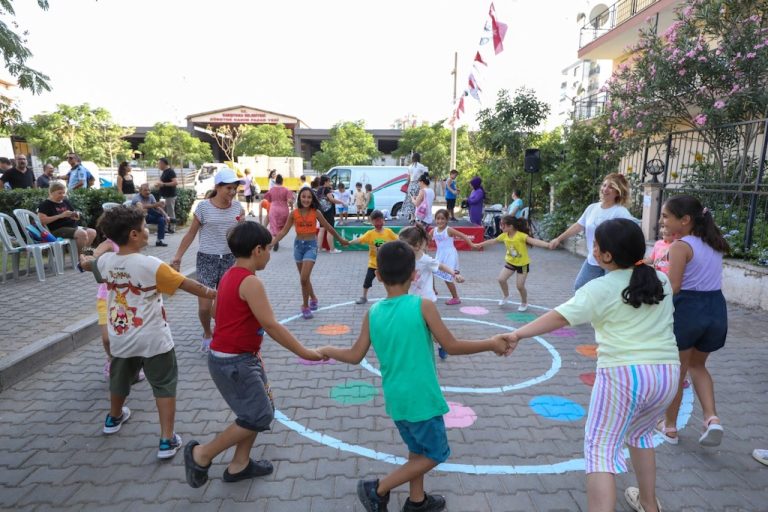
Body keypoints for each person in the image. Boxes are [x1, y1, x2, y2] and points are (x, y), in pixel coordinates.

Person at [317, 240, 513, 512]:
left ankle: (417, 500)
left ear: (379, 275)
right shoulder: (423, 306)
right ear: (414, 273)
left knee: (417, 449)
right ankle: (378, 489)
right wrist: (491, 343)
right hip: (422, 399)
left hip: (397, 399)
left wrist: (328, 349)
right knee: (436, 453)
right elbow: (451, 346)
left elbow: (354, 355)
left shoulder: (373, 313)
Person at [505, 219, 679, 512]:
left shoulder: (599, 287)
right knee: (641, 435)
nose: (593, 249)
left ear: (607, 255)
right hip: (666, 375)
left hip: (624, 375)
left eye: (596, 245)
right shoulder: (660, 280)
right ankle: (650, 505)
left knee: (601, 449)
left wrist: (517, 334)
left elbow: (559, 316)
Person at [183, 221, 326, 488]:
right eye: (269, 249)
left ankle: (240, 464)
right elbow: (271, 325)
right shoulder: (250, 283)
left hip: (238, 358)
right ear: (257, 250)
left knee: (256, 411)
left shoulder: (230, 274)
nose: (270, 254)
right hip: (234, 363)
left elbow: (216, 312)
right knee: (260, 415)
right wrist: (306, 352)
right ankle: (201, 454)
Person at [78, 206, 216, 459]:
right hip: (154, 340)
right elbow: (189, 285)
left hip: (121, 336)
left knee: (119, 379)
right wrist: (216, 293)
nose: (147, 232)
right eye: (143, 228)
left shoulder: (107, 261)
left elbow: (89, 265)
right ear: (133, 234)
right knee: (164, 385)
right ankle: (166, 440)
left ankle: (114, 418)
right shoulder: (151, 265)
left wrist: (86, 252)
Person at [656, 195, 730, 448]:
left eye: (666, 216)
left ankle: (670, 427)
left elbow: (674, 286)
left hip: (689, 310)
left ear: (685, 219)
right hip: (715, 309)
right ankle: (712, 418)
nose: (662, 221)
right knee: (698, 365)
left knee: (678, 370)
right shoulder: (714, 243)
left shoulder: (680, 246)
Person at [172, 168, 244, 352]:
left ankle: (223, 334)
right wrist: (178, 257)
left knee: (226, 304)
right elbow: (190, 234)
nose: (232, 192)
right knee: (205, 307)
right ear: (217, 187)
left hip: (230, 260)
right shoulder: (204, 207)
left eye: (234, 188)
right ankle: (207, 333)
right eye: (228, 188)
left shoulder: (238, 208)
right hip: (207, 260)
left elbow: (243, 235)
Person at [270, 187, 349, 319]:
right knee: (304, 279)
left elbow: (328, 227)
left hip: (311, 246)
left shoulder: (316, 212)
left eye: (309, 197)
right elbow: (283, 231)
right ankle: (313, 298)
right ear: (299, 198)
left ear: (312, 199)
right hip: (298, 247)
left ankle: (305, 306)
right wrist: (272, 243)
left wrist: (340, 239)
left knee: (303, 278)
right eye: (304, 196)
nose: (306, 199)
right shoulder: (294, 213)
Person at [549, 173, 635, 290]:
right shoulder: (592, 208)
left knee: (609, 292)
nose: (605, 189)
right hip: (593, 259)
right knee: (580, 287)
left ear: (618, 192)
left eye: (611, 187)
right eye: (604, 185)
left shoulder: (621, 212)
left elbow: (630, 236)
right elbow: (578, 225)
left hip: (613, 263)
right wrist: (559, 239)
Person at [399, 224, 464, 361]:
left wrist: (454, 274)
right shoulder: (403, 258)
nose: (400, 248)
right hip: (409, 299)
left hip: (426, 301)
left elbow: (441, 266)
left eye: (403, 245)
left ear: (416, 246)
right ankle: (413, 349)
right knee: (411, 326)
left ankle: (441, 344)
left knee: (432, 328)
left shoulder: (425, 260)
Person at [91, 236, 145, 383]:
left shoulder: (132, 242)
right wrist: (87, 256)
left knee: (129, 335)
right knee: (107, 339)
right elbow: (93, 252)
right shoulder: (109, 243)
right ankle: (111, 359)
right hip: (105, 297)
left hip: (126, 297)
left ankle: (133, 366)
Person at [473, 215, 550, 311]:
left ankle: (524, 302)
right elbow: (493, 241)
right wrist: (479, 244)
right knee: (501, 279)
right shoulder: (504, 235)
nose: (501, 227)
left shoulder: (521, 236)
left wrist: (548, 245)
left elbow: (534, 241)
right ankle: (506, 296)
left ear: (511, 226)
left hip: (522, 264)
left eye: (503, 225)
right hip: (511, 262)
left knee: (520, 286)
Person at [348, 210, 399, 304]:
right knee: (367, 281)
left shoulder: (388, 232)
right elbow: (359, 240)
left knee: (388, 282)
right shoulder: (370, 233)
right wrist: (348, 243)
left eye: (380, 220)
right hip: (373, 264)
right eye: (375, 221)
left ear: (383, 220)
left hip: (386, 264)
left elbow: (398, 239)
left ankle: (392, 297)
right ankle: (364, 297)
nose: (378, 223)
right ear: (371, 222)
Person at [430, 209, 476, 306]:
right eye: (438, 218)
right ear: (435, 219)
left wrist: (471, 244)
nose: (440, 221)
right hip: (440, 255)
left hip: (450, 255)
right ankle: (433, 291)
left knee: (447, 278)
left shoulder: (449, 230)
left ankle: (456, 298)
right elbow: (426, 239)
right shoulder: (433, 230)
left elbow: (463, 236)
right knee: (430, 271)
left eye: (442, 218)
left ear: (447, 220)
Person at [37, 181, 97, 252]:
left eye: (64, 193)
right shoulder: (45, 204)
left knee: (92, 232)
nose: (62, 195)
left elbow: (73, 213)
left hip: (72, 227)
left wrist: (75, 215)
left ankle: (83, 254)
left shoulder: (65, 201)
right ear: (51, 192)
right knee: (82, 234)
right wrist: (60, 216)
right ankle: (78, 256)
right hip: (57, 229)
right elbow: (42, 221)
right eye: (59, 193)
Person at [263, 174, 294, 251]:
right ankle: (277, 239)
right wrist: (292, 207)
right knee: (282, 227)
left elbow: (268, 199)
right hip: (284, 209)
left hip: (273, 209)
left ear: (275, 181)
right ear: (282, 181)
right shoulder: (286, 190)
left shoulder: (271, 190)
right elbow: (290, 201)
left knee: (273, 225)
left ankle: (274, 239)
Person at [316, 175, 344, 253]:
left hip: (321, 212)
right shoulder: (326, 190)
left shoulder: (319, 189)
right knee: (330, 230)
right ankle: (332, 249)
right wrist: (341, 202)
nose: (330, 183)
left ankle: (319, 248)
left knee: (322, 229)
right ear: (325, 182)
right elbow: (332, 200)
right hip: (328, 212)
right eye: (329, 181)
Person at [400, 152, 428, 221]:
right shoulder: (421, 166)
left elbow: (408, 178)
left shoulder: (409, 167)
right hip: (419, 184)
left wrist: (406, 185)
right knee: (420, 200)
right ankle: (419, 216)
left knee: (411, 201)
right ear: (419, 158)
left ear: (412, 158)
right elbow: (426, 175)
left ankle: (412, 217)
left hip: (411, 185)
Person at [155, 158, 177, 233]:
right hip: (163, 195)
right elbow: (162, 183)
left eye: (159, 164)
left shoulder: (170, 171)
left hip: (170, 195)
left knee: (170, 212)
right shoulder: (164, 172)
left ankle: (172, 228)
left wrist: (163, 184)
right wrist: (158, 185)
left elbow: (175, 182)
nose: (158, 165)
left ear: (163, 163)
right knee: (163, 212)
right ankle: (165, 228)